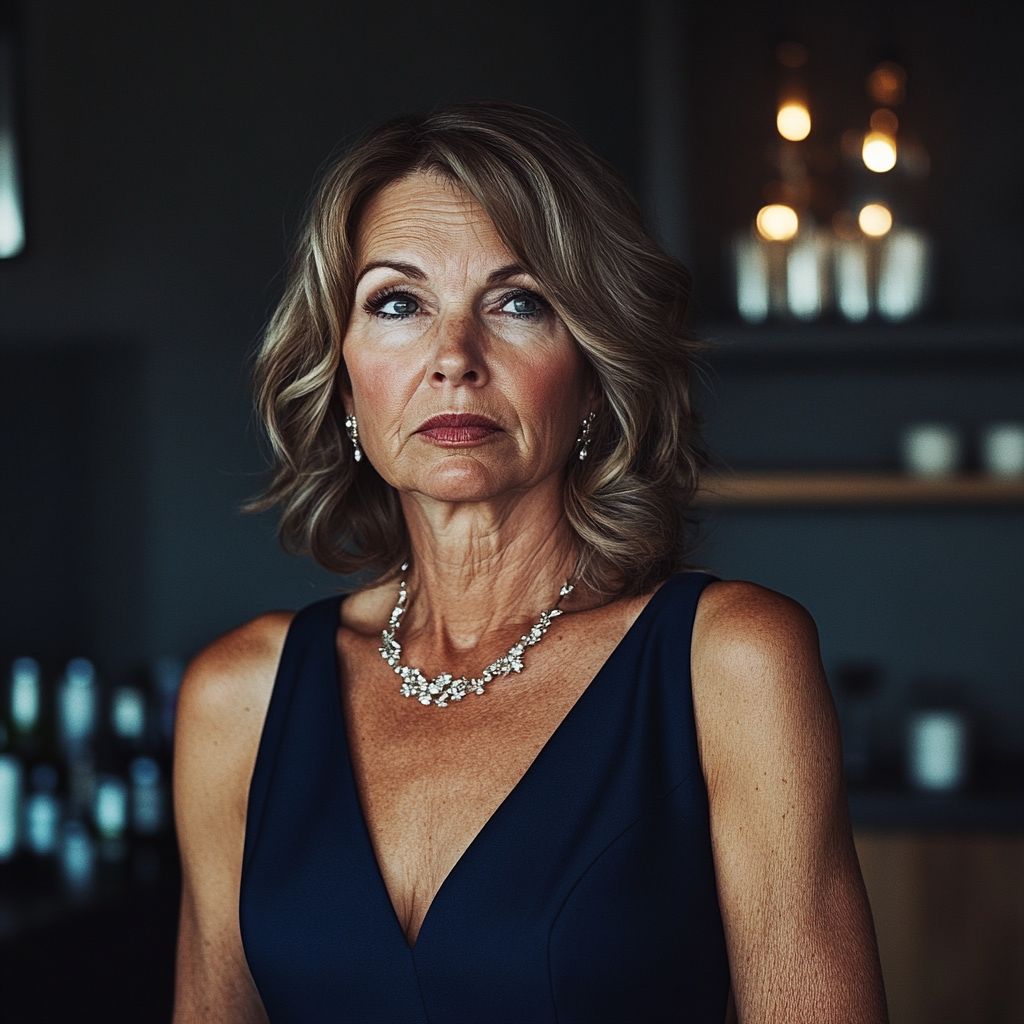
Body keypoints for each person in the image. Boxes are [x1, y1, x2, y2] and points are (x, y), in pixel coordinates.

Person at [172, 102, 887, 1023]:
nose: (455, 360)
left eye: (519, 302)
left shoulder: (730, 665)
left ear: (593, 362)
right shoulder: (238, 699)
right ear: (340, 367)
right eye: (398, 303)